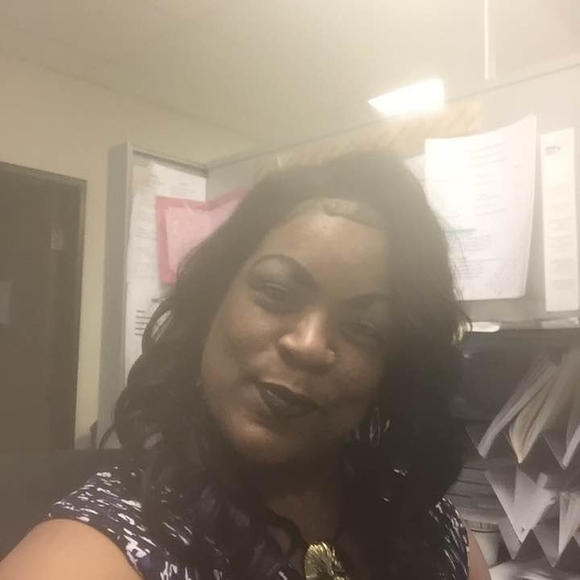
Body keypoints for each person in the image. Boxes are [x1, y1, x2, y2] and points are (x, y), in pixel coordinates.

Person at [0, 151, 490, 580]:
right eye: (276, 292)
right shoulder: (101, 546)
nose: (308, 345)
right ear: (212, 304)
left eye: (363, 327)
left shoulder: (434, 532)